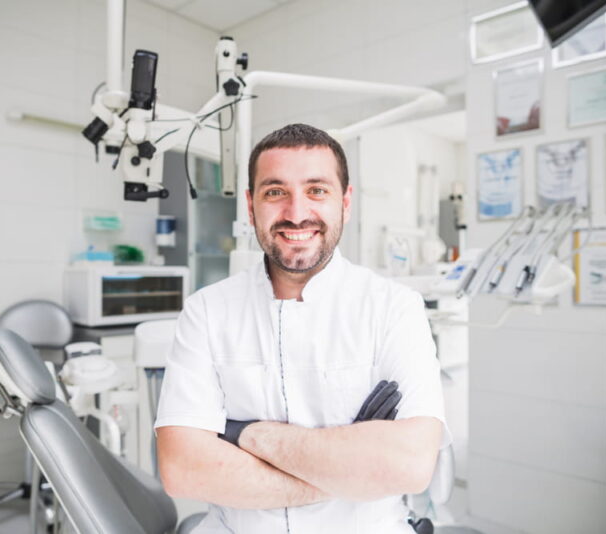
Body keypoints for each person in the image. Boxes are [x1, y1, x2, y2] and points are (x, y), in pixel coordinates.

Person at [154, 123, 450, 533]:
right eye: (275, 192)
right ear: (250, 204)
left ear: (345, 202)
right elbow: (184, 469)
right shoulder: (206, 312)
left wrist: (249, 436)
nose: (296, 213)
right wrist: (348, 473)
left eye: (317, 190)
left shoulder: (395, 308)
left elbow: (410, 466)